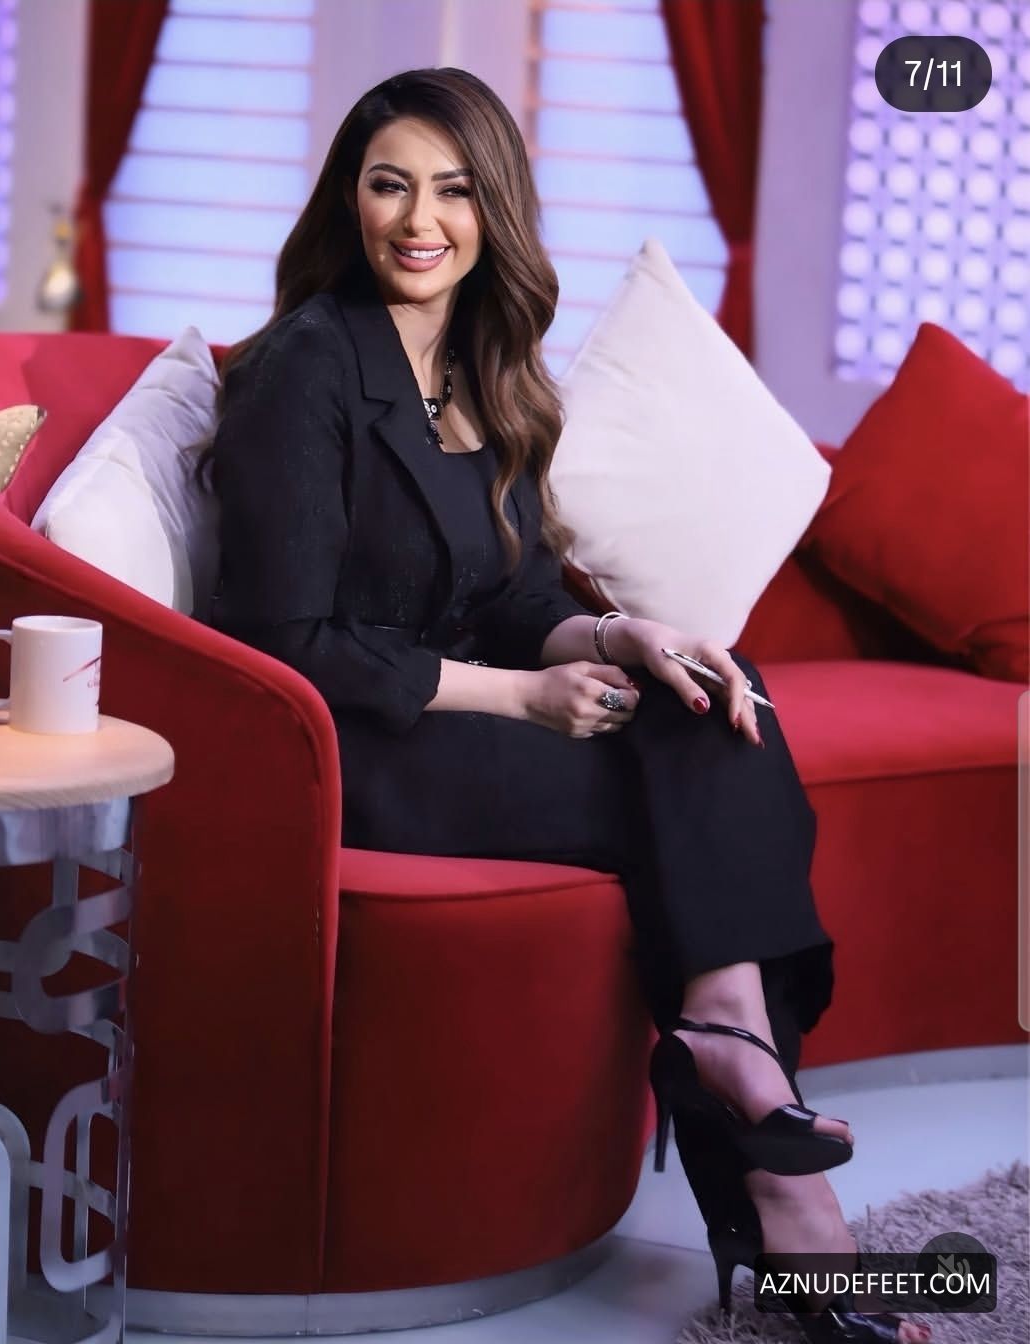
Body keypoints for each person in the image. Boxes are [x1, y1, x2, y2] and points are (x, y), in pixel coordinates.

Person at [203, 67, 929, 1344]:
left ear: (493, 209)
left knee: (715, 692)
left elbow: (516, 590)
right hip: (354, 746)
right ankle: (777, 1179)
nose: (418, 219)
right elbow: (288, 643)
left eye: (452, 190)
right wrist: (523, 697)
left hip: (460, 710)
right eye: (388, 185)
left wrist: (612, 635)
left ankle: (728, 1051)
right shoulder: (305, 368)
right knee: (692, 778)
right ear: (348, 200)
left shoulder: (476, 361)